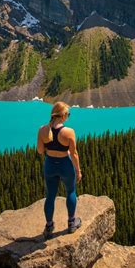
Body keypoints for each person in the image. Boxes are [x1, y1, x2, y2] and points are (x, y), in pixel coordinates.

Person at [37, 101, 82, 239]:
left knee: (50, 196)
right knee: (70, 191)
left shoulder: (42, 130)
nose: (68, 116)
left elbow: (40, 151)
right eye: (68, 114)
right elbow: (74, 154)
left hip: (50, 164)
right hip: (65, 165)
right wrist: (78, 170)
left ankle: (49, 226)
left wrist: (49, 148)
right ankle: (71, 223)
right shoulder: (68, 132)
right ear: (62, 115)